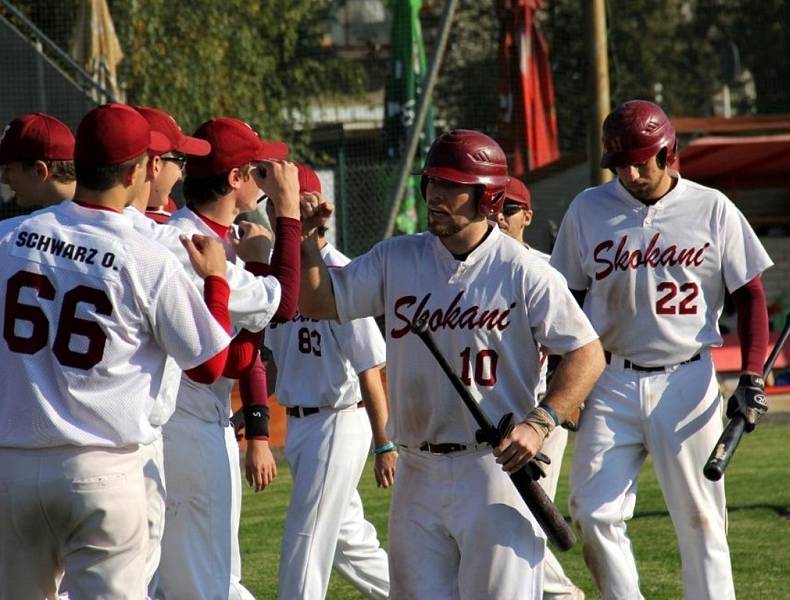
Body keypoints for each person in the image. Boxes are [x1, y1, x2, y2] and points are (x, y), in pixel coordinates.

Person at [298, 129, 605, 599]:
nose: (435, 195)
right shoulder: (396, 258)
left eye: (451, 185)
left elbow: (587, 352)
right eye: (431, 183)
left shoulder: (522, 268)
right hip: (416, 469)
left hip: (495, 468)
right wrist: (306, 243)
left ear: (487, 196)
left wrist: (542, 421)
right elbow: (320, 301)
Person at [0, 102, 234, 599]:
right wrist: (216, 281)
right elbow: (210, 365)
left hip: (12, 468)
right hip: (102, 471)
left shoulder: (8, 237)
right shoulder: (148, 255)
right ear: (134, 173)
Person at [549, 99, 772, 599]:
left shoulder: (711, 207)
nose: (628, 172)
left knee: (702, 521)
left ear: (668, 152)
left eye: (639, 160)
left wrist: (752, 375)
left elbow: (750, 295)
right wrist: (565, 376)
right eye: (619, 162)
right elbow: (567, 301)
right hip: (608, 378)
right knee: (591, 511)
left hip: (686, 378)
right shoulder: (588, 208)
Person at [133, 105, 279, 600]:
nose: (178, 170)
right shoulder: (183, 241)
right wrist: (283, 233)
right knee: (200, 582)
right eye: (258, 171)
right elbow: (227, 361)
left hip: (147, 430)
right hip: (181, 425)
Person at [258, 163, 392, 600]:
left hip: (337, 420)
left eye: (280, 205)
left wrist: (384, 442)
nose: (274, 216)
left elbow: (370, 367)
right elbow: (279, 356)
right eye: (271, 206)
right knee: (349, 541)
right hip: (300, 425)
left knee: (305, 538)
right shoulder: (283, 278)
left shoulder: (341, 275)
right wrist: (252, 413)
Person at [489, 177, 585, 600]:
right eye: (491, 205)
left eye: (508, 208)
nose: (498, 216)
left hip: (540, 411)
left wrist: (569, 402)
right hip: (489, 412)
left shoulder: (545, 268)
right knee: (494, 518)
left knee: (524, 513)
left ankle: (560, 594)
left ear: (527, 215)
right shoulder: (478, 266)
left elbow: (578, 341)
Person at [0, 112, 76, 208]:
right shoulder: (95, 214)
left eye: (8, 169)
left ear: (39, 171)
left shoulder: (26, 223)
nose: (3, 179)